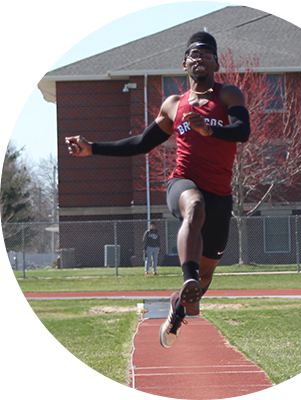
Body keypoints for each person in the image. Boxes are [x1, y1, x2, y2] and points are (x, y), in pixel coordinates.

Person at [65, 31, 250, 349]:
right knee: (194, 207)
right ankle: (187, 276)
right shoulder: (174, 105)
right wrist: (92, 148)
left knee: (205, 279)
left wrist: (209, 128)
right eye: (194, 54)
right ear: (184, 64)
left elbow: (242, 131)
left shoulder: (228, 95)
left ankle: (179, 307)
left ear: (216, 63)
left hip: (220, 194)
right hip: (183, 182)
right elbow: (140, 143)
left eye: (207, 54)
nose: (200, 59)